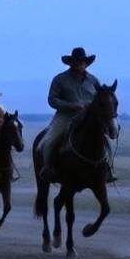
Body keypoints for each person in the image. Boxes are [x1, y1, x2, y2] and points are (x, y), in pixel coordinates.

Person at [39, 47, 115, 182]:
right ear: (70, 63)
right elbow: (52, 99)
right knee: (50, 139)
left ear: (86, 63)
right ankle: (48, 168)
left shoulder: (93, 80)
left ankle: (108, 168)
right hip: (65, 115)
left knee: (107, 138)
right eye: (77, 61)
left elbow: (100, 98)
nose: (80, 64)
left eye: (82, 61)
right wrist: (71, 105)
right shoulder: (60, 79)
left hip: (89, 116)